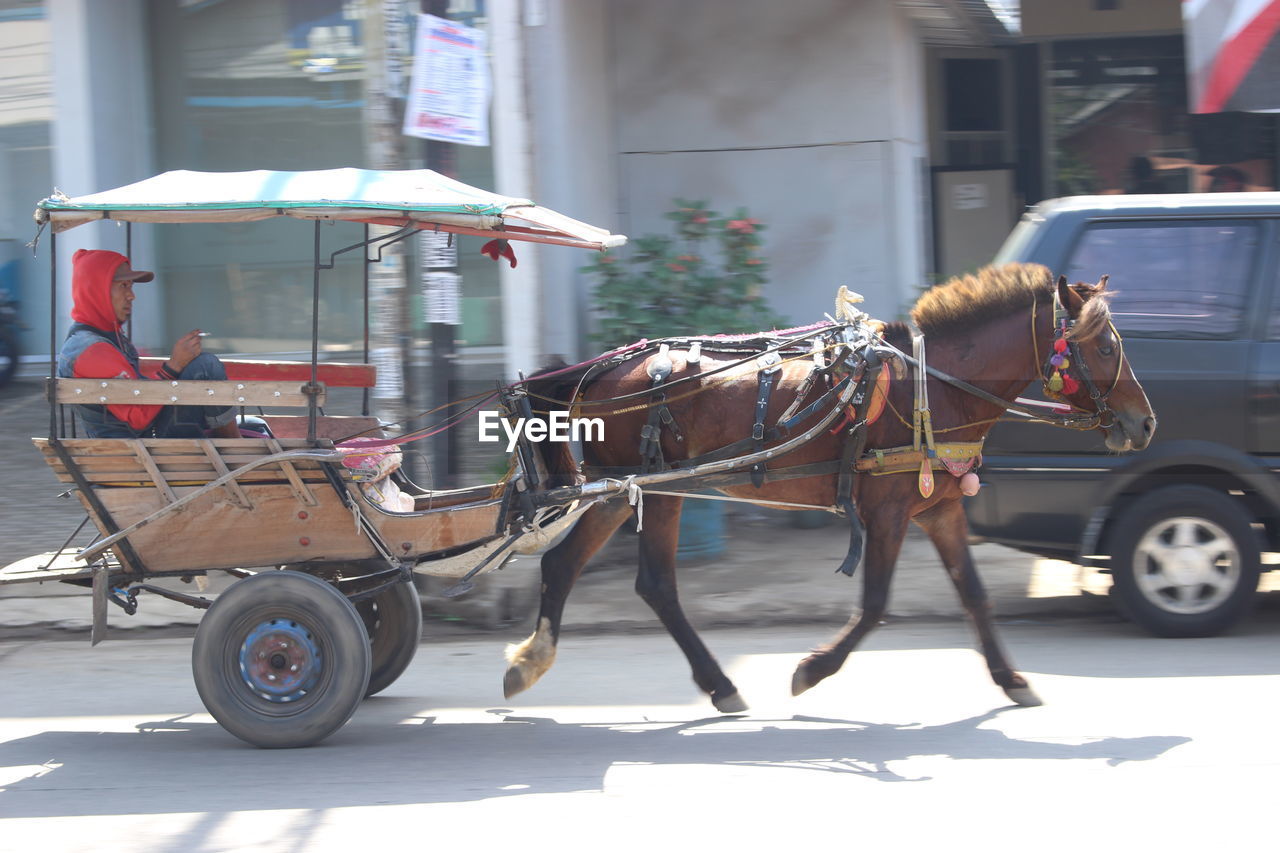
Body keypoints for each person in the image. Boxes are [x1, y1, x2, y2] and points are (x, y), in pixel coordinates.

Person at [57, 249, 243, 439]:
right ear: (96, 289)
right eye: (123, 286)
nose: (131, 296)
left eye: (131, 286)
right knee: (205, 366)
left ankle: (235, 444)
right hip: (135, 449)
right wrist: (174, 366)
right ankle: (238, 449)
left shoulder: (108, 338)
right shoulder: (92, 350)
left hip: (145, 438)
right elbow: (137, 417)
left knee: (253, 422)